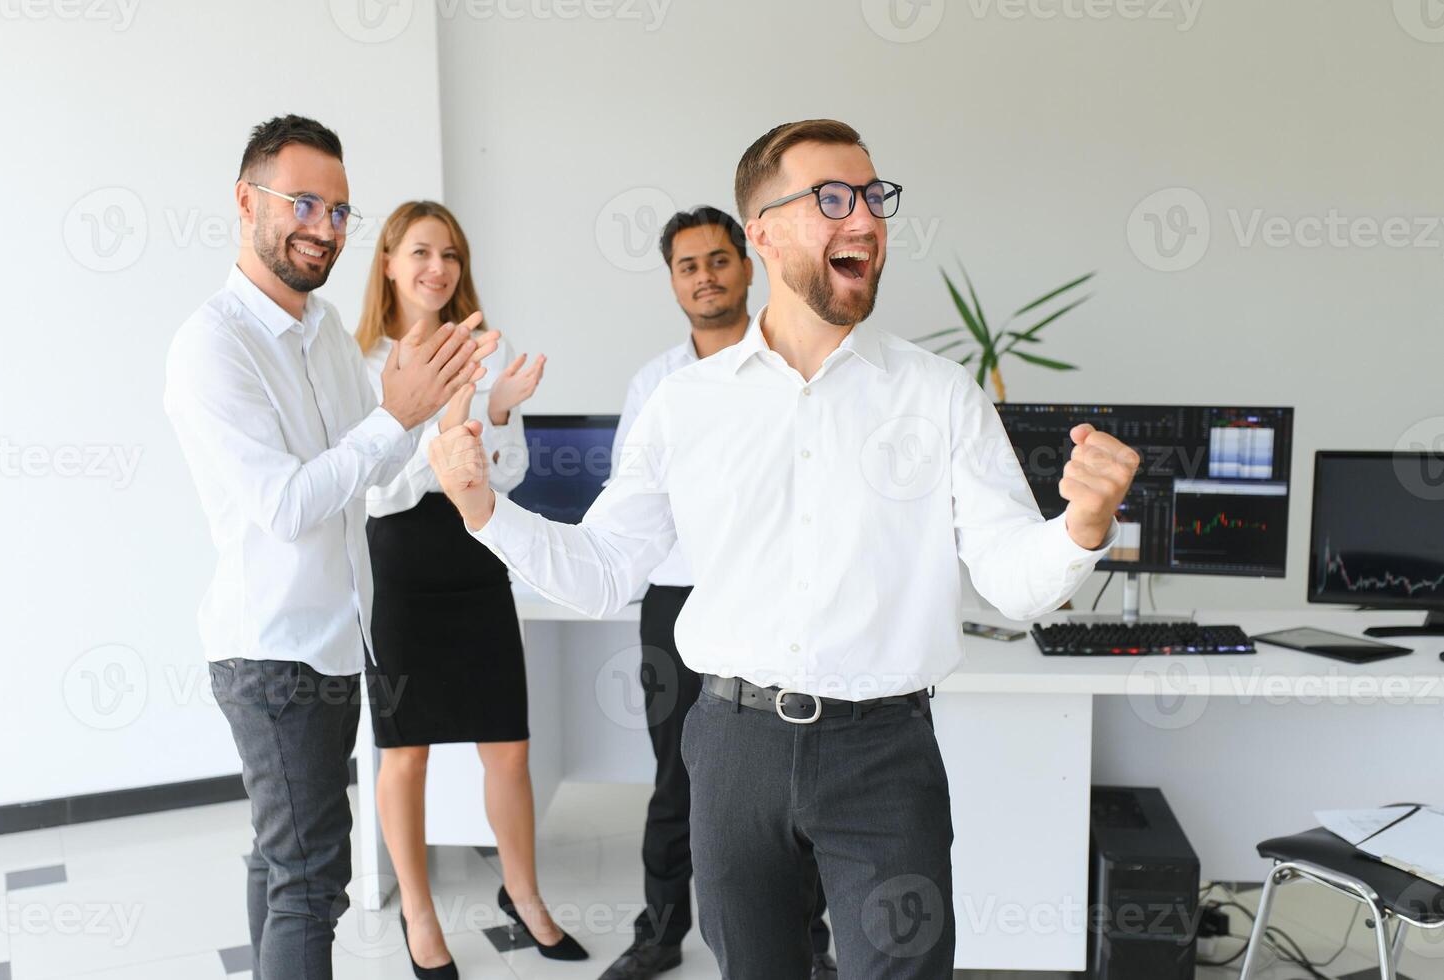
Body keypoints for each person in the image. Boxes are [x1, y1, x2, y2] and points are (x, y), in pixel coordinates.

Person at [428, 119, 1140, 979]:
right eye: (832, 199)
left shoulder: (939, 395)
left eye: (874, 198)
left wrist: (1080, 527)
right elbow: (607, 569)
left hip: (884, 754)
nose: (866, 221)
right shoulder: (684, 405)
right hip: (731, 749)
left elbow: (1010, 580)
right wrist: (482, 508)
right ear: (760, 231)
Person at [164, 115, 497, 980]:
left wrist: (430, 408)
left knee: (280, 866)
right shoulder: (214, 345)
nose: (325, 227)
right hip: (274, 652)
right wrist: (395, 413)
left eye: (341, 210)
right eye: (304, 202)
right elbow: (285, 505)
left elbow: (371, 481)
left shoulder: (321, 332)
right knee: (312, 887)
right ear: (247, 201)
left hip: (332, 645)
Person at [599, 206, 835, 980]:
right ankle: (660, 931)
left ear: (747, 263)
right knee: (677, 771)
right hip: (679, 600)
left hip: (780, 598)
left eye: (717, 260)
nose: (704, 276)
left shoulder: (797, 363)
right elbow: (637, 502)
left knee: (789, 775)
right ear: (673, 281)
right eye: (687, 265)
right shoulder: (656, 384)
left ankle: (808, 942)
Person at [354, 201, 584, 977]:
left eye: (449, 253)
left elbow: (510, 475)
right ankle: (419, 916)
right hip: (402, 564)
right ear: (387, 261)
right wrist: (444, 433)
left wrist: (490, 413)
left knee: (509, 747)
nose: (437, 268)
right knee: (404, 753)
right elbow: (375, 488)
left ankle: (525, 899)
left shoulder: (490, 348)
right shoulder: (362, 361)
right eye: (419, 251)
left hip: (476, 548)